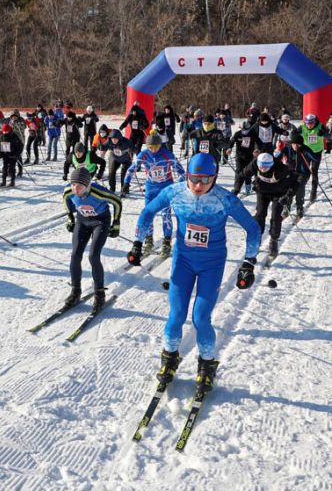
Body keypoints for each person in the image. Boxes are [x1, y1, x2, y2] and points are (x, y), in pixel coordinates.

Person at [127, 154, 261, 392]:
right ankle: (169, 360)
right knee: (176, 314)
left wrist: (249, 262)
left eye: (206, 180)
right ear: (186, 175)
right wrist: (138, 242)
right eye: (194, 179)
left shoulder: (224, 199)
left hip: (212, 264)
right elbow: (147, 212)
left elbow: (252, 228)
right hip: (183, 262)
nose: (199, 185)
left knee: (200, 318)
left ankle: (207, 365)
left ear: (215, 178)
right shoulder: (175, 192)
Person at [62, 167, 122, 312]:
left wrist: (116, 223)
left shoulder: (98, 192)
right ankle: (75, 291)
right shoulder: (69, 191)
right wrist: (70, 218)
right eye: (73, 184)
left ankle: (100, 294)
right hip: (82, 221)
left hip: (100, 222)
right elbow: (66, 200)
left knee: (93, 256)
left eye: (80, 186)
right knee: (75, 255)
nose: (76, 189)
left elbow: (117, 202)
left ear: (87, 185)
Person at [124, 133, 185, 257]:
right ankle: (148, 238)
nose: (153, 150)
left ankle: (166, 242)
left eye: (155, 147)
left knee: (166, 215)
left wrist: (176, 186)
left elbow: (182, 173)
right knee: (148, 214)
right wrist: (126, 183)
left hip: (166, 188)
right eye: (150, 147)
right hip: (151, 189)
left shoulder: (167, 155)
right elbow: (131, 169)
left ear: (160, 145)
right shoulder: (144, 154)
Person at [242, 152, 296, 257]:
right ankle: (257, 239)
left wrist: (288, 196)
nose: (263, 169)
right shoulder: (255, 165)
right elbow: (243, 174)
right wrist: (236, 189)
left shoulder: (281, 169)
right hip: (262, 192)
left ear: (271, 165)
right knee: (260, 214)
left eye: (266, 167)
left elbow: (295, 182)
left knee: (276, 216)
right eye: (261, 166)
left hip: (278, 194)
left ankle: (274, 240)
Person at [277, 132, 316, 221]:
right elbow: (278, 157)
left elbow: (314, 158)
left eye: (298, 144)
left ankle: (299, 208)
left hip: (303, 173)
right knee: (288, 188)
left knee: (299, 187)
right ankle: (287, 208)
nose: (295, 146)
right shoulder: (288, 148)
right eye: (294, 144)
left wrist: (306, 151)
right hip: (291, 172)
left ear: (301, 145)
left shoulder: (305, 149)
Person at [299, 114, 328, 202]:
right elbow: (294, 134)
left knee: (314, 172)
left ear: (315, 122)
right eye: (308, 123)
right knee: (304, 173)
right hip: (306, 151)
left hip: (316, 152)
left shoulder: (320, 126)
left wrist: (324, 133)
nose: (309, 125)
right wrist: (294, 137)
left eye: (311, 123)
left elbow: (329, 135)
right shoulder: (302, 126)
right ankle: (301, 192)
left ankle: (313, 192)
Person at [104, 130, 134, 195]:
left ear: (119, 138)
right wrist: (100, 146)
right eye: (112, 139)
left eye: (115, 139)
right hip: (116, 159)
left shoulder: (125, 141)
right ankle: (112, 188)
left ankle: (124, 189)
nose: (114, 140)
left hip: (126, 160)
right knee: (112, 172)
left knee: (123, 173)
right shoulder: (109, 141)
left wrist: (132, 149)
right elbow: (104, 146)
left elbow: (133, 146)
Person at [0, 122, 23, 187]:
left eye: (6, 131)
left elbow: (20, 146)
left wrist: (16, 154)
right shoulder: (1, 136)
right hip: (5, 154)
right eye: (4, 131)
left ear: (9, 130)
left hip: (13, 155)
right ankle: (3, 181)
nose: (5, 133)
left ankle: (12, 181)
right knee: (4, 168)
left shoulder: (14, 136)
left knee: (12, 168)